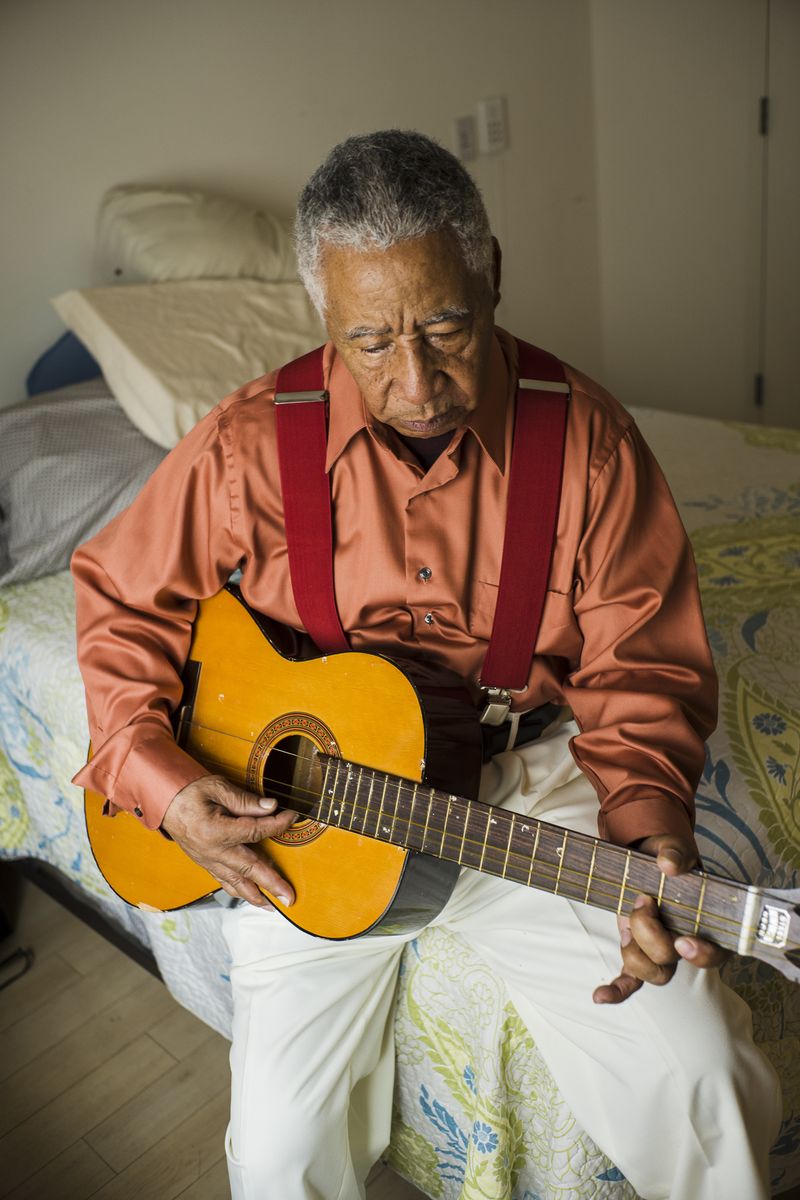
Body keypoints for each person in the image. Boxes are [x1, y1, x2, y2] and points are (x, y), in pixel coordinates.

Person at [72, 130, 780, 1200]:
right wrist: (164, 791)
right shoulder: (249, 444)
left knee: (705, 1085)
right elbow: (119, 595)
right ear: (324, 319)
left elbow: (641, 668)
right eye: (369, 341)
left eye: (446, 326)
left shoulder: (588, 442)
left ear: (491, 271)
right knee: (273, 1158)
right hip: (306, 831)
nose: (415, 381)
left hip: (519, 785)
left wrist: (651, 845)